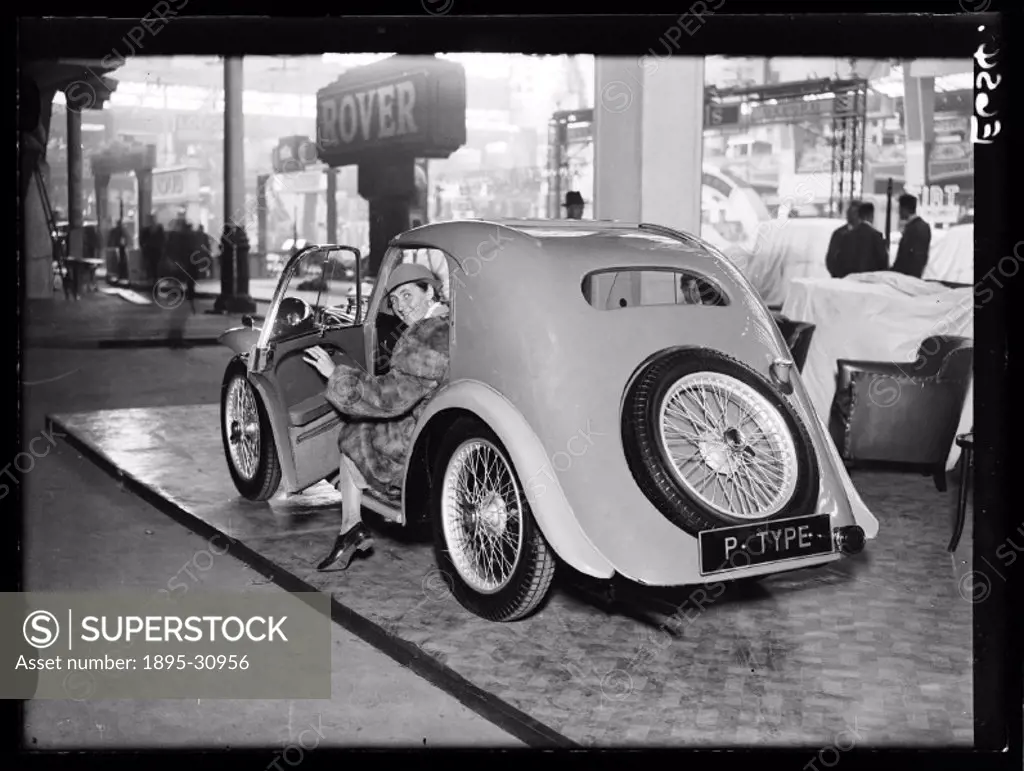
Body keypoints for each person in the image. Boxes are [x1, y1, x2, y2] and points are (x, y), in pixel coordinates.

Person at [302, 263, 451, 571]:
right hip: (442, 423)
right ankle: (350, 527)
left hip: (420, 437)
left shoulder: (428, 334)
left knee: (354, 433)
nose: (401, 307)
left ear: (430, 292)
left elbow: (390, 398)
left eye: (408, 295)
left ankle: (350, 528)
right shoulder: (450, 322)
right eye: (394, 301)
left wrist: (337, 375)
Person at [891, 193, 932, 278]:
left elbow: (909, 257)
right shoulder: (923, 226)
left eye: (900, 209)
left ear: (904, 209)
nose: (899, 212)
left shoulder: (914, 228)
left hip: (907, 278)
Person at [825, 200, 861, 278]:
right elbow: (831, 258)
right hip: (842, 279)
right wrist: (838, 275)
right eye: (850, 213)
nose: (852, 216)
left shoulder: (868, 234)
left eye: (855, 213)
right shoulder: (839, 233)